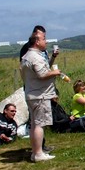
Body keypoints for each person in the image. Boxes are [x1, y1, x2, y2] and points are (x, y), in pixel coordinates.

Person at [20, 30, 63, 162]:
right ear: (37, 41)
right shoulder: (36, 57)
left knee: (34, 124)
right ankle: (38, 153)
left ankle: (35, 152)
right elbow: (42, 74)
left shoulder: (26, 56)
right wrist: (55, 72)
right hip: (40, 95)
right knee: (40, 124)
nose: (46, 41)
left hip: (31, 93)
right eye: (44, 39)